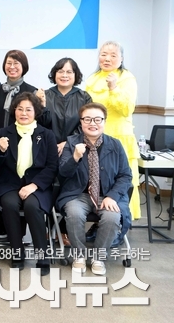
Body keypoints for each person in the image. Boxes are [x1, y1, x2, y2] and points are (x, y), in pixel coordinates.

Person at [56, 103, 132, 276]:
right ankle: (79, 256)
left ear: (104, 121)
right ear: (81, 122)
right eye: (88, 119)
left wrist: (112, 196)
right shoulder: (71, 143)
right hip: (78, 194)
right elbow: (62, 173)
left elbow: (125, 175)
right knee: (74, 214)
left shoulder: (115, 145)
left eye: (98, 119)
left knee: (112, 216)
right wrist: (75, 157)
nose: (93, 123)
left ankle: (99, 257)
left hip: (107, 195)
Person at [0, 92, 57, 276]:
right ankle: (17, 253)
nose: (24, 113)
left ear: (36, 112)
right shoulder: (4, 133)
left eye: (28, 109)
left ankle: (42, 255)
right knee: (9, 204)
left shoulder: (47, 135)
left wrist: (34, 185)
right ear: (14, 111)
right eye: (20, 109)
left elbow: (52, 166)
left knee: (32, 206)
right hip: (10, 183)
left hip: (37, 185)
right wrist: (1, 150)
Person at [85, 41, 140, 219]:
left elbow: (127, 110)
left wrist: (114, 88)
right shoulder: (93, 78)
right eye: (103, 54)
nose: (107, 58)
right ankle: (99, 220)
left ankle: (122, 220)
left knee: (121, 178)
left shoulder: (127, 78)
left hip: (119, 136)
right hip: (95, 137)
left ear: (121, 59)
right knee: (96, 178)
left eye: (113, 55)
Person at [0, 49, 47, 138]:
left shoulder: (33, 92)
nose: (12, 67)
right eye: (9, 63)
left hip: (24, 141)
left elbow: (42, 122)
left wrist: (42, 103)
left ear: (23, 66)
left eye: (16, 63)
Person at [45, 58, 92, 155]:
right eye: (60, 71)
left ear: (75, 75)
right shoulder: (44, 96)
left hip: (76, 148)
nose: (64, 75)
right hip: (47, 147)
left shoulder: (84, 97)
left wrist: (68, 142)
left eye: (69, 72)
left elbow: (86, 123)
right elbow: (40, 123)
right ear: (54, 74)